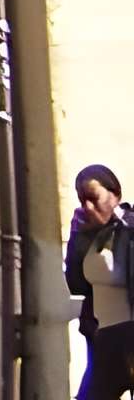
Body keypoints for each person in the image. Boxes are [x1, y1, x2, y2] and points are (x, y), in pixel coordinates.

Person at [68, 165, 134, 399]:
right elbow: (76, 284)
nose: (87, 207)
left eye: (93, 198)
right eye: (81, 199)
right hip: (102, 336)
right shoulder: (89, 235)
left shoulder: (130, 226)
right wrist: (77, 238)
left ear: (115, 194)